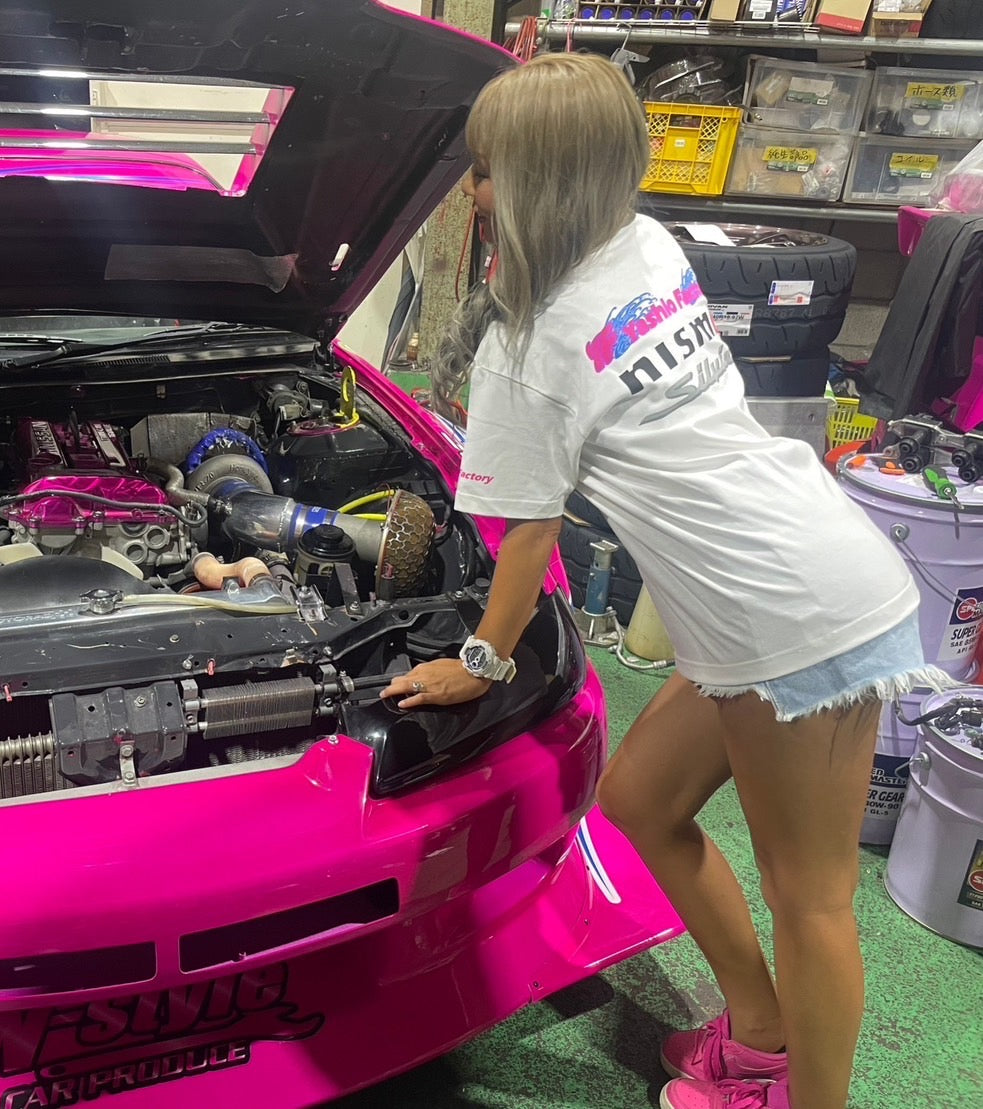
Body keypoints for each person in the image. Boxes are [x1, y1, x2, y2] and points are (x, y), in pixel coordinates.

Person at [380, 53, 947, 1109]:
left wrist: (477, 661)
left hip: (793, 613)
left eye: (489, 170)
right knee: (641, 799)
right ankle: (761, 1034)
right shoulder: (643, 243)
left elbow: (525, 540)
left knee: (812, 897)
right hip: (776, 581)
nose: (474, 191)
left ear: (541, 181)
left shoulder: (525, 351)